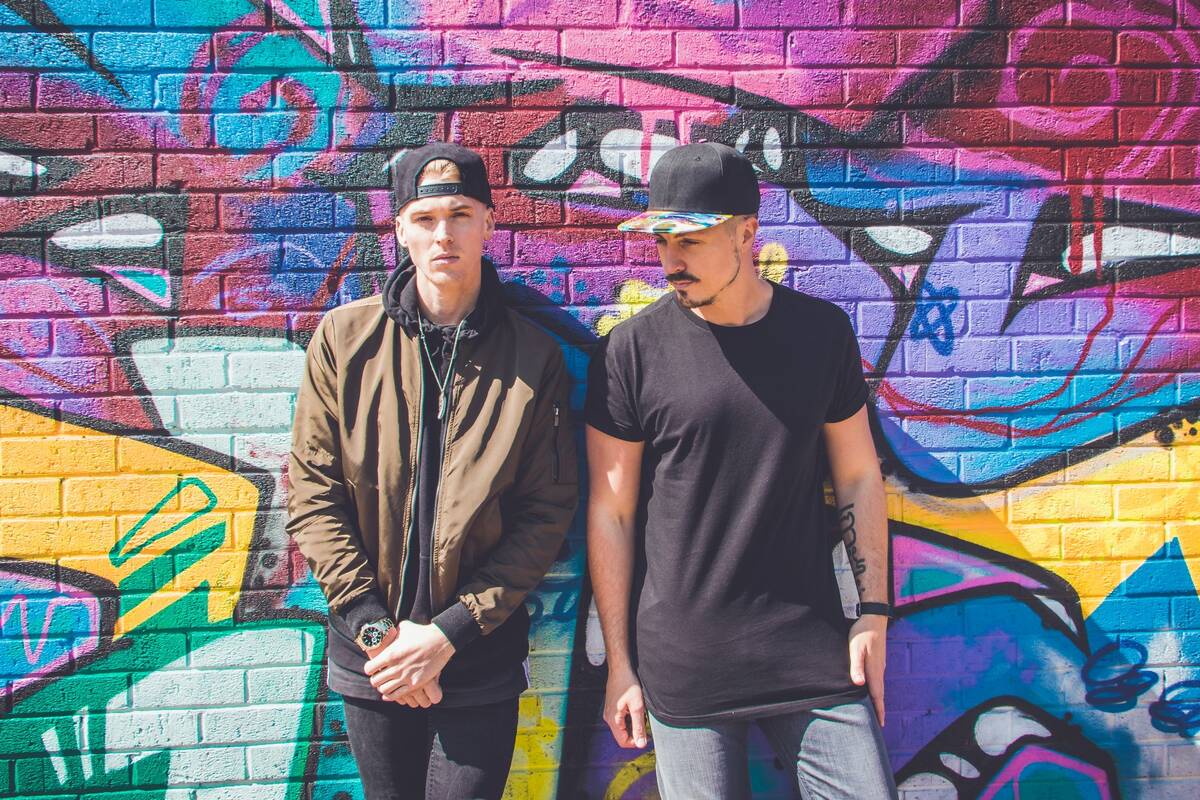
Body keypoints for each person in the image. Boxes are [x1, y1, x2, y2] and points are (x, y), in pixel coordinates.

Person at [585, 142, 898, 799]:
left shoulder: (821, 334)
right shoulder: (629, 353)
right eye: (662, 241)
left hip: (809, 646)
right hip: (685, 660)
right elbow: (611, 512)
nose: (671, 261)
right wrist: (619, 665)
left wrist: (873, 612)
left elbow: (859, 476)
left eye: (690, 241)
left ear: (747, 233)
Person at [286, 142, 578, 800]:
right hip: (374, 658)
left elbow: (545, 514)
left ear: (488, 224)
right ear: (399, 230)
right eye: (424, 218)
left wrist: (448, 634)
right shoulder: (344, 340)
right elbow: (312, 493)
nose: (443, 234)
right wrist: (378, 633)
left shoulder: (534, 357)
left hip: (479, 655)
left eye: (460, 215)